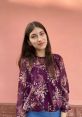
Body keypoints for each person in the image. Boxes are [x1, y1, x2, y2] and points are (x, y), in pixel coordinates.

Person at [16, 21, 71, 117]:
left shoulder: (57, 60)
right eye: (34, 36)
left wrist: (64, 113)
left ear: (46, 35)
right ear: (29, 42)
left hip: (55, 113)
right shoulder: (26, 62)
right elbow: (21, 91)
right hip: (33, 113)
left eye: (41, 34)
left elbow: (64, 88)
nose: (39, 39)